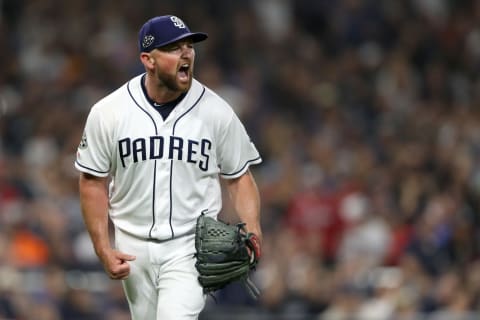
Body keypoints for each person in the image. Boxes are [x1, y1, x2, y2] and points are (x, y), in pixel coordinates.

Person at [74, 15, 263, 320]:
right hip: (131, 245)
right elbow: (92, 181)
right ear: (148, 59)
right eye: (174, 48)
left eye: (189, 46)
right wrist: (103, 248)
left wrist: (253, 229)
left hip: (189, 247)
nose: (186, 53)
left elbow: (239, 176)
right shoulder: (109, 112)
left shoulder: (216, 112)